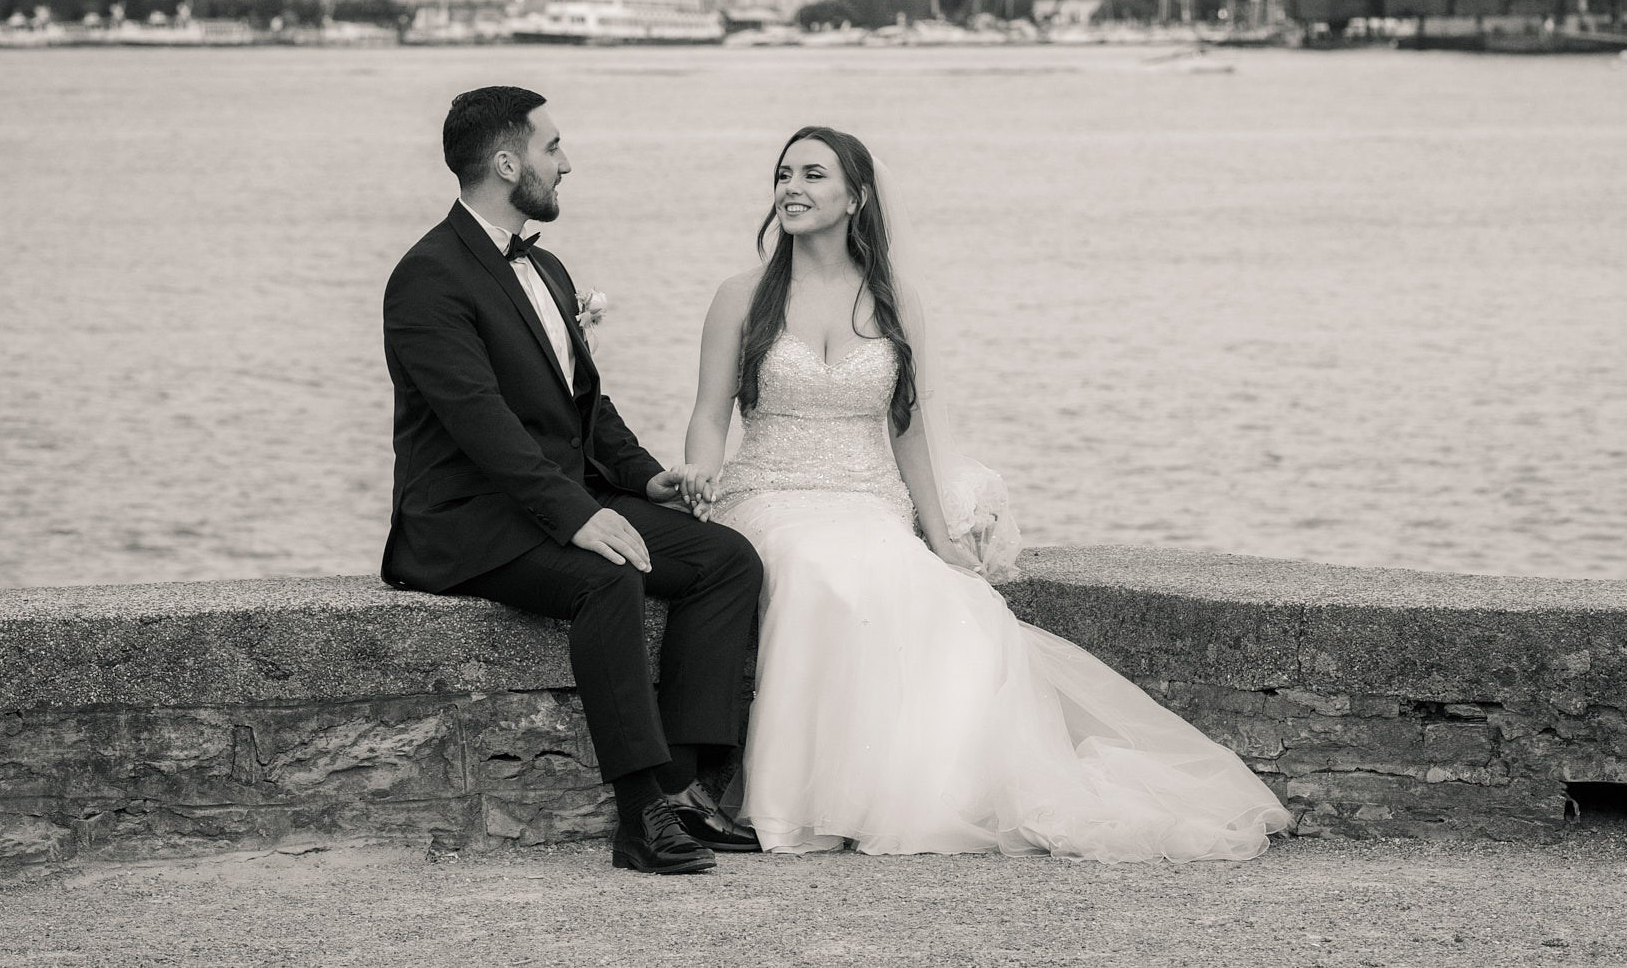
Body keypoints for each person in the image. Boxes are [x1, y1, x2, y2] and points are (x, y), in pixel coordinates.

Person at [677, 126, 1289, 860]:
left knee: (955, 603)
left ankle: (910, 794)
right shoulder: (741, 296)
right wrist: (702, 476)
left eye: (813, 174)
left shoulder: (895, 300)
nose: (792, 188)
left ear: (855, 196)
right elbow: (711, 413)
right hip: (772, 491)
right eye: (783, 174)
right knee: (817, 571)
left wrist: (938, 534)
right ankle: (792, 805)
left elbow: (907, 430)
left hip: (866, 497)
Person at [381, 86, 763, 875]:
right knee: (607, 574)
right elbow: (481, 425)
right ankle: (638, 815)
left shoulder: (546, 266)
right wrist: (579, 518)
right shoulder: (426, 278)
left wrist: (649, 480)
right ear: (507, 161)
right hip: (466, 521)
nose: (567, 163)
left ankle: (685, 787)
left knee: (726, 560)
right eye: (553, 147)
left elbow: (587, 407)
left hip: (555, 501)